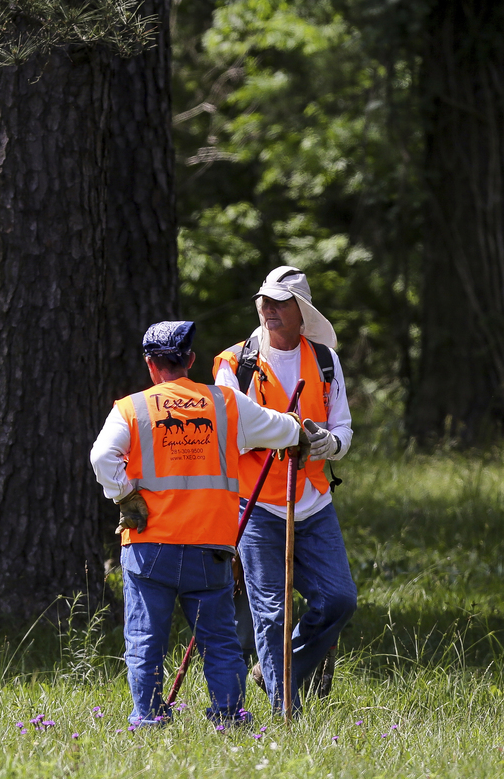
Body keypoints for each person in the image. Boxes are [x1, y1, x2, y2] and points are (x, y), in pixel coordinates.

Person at [90, 320, 308, 728]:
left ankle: (149, 719)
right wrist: (300, 430)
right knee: (221, 642)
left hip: (148, 544)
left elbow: (102, 458)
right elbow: (280, 429)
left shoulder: (131, 408)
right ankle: (228, 717)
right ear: (190, 360)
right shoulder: (226, 403)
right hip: (210, 547)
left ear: (150, 365)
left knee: (145, 641)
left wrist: (124, 495)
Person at [214, 266, 358, 716]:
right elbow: (226, 427)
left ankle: (274, 670)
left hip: (313, 501)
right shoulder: (234, 362)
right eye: (264, 300)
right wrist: (283, 433)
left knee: (339, 599)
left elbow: (344, 429)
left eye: (279, 302)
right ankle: (285, 712)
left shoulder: (325, 360)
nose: (268, 308)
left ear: (302, 312)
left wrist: (326, 443)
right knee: (271, 613)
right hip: (256, 504)